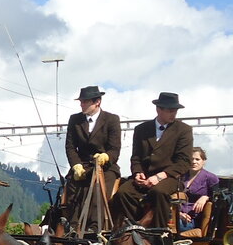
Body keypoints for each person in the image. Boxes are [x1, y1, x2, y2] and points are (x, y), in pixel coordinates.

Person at [113, 92, 194, 228]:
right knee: (123, 193)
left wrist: (160, 176)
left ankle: (159, 232)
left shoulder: (183, 130)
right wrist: (137, 173)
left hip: (169, 177)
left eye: (175, 111)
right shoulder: (141, 129)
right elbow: (136, 157)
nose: (173, 114)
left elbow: (184, 162)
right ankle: (134, 228)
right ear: (158, 109)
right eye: (170, 111)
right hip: (145, 176)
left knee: (158, 192)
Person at [63, 85, 121, 222]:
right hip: (82, 165)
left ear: (97, 102)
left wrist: (105, 157)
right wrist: (76, 165)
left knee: (98, 192)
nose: (81, 105)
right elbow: (70, 147)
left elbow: (115, 149)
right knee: (73, 190)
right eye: (81, 102)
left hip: (105, 167)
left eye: (85, 102)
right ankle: (72, 225)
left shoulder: (112, 120)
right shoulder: (75, 120)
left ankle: (95, 227)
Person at [177, 146, 220, 233]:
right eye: (191, 159)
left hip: (193, 219)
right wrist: (179, 214)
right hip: (176, 215)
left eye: (197, 159)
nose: (193, 162)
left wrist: (206, 197)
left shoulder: (211, 178)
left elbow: (218, 197)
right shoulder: (180, 176)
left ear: (203, 161)